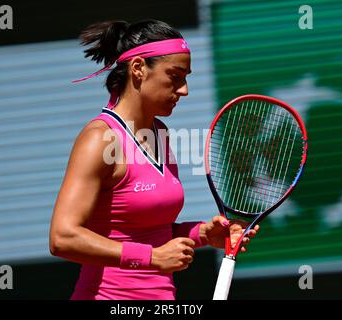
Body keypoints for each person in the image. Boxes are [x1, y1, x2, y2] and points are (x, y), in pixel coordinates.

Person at [49, 19, 259, 300]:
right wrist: (150, 257)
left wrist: (204, 235)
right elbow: (62, 238)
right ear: (138, 69)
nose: (184, 90)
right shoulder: (99, 138)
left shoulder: (160, 132)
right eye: (175, 76)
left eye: (186, 78)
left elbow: (146, 232)